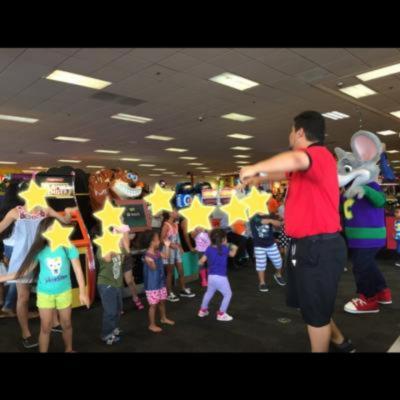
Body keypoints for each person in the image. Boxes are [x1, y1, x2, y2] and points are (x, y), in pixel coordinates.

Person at [239, 110, 354, 353]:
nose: (289, 135)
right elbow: (284, 171)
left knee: (315, 311)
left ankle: (334, 343)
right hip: (302, 245)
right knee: (308, 303)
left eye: (291, 131)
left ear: (300, 132)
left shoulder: (318, 155)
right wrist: (259, 178)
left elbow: (295, 160)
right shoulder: (306, 165)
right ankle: (340, 341)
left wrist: (253, 167)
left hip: (319, 246)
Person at [0, 217, 90, 352]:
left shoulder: (68, 247)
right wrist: (2, 277)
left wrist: (83, 292)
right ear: (43, 233)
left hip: (64, 292)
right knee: (45, 328)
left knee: (66, 324)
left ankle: (69, 349)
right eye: (50, 230)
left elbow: (78, 270)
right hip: (45, 295)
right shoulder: (39, 250)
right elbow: (23, 271)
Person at [0, 187, 73, 349]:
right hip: (23, 259)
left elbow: (65, 221)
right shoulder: (16, 212)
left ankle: (54, 321)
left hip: (43, 256)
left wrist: (68, 213)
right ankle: (26, 334)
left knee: (50, 289)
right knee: (23, 297)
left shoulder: (45, 210)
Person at [96, 225, 129, 345]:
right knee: (110, 311)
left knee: (118, 309)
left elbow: (126, 251)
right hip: (106, 284)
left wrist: (125, 231)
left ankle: (113, 328)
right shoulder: (102, 246)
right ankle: (106, 334)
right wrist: (115, 242)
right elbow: (108, 258)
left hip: (117, 284)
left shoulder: (119, 246)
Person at [197, 229, 238, 321]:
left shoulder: (209, 249)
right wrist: (235, 248)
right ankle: (221, 314)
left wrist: (200, 262)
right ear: (223, 239)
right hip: (221, 277)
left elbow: (201, 261)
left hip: (211, 277)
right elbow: (232, 254)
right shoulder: (224, 249)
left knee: (209, 293)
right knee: (228, 294)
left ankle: (203, 310)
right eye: (226, 238)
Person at [142, 230, 175, 333]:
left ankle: (163, 318)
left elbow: (167, 256)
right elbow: (154, 268)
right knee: (153, 305)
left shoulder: (157, 252)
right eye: (157, 240)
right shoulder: (147, 255)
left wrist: (167, 246)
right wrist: (151, 261)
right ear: (151, 242)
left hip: (160, 282)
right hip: (152, 285)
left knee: (162, 301)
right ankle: (152, 325)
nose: (159, 241)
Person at [160, 209, 195, 302]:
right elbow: (162, 239)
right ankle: (169, 293)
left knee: (181, 271)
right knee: (170, 273)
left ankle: (183, 289)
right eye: (176, 211)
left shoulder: (175, 224)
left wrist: (180, 247)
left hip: (176, 251)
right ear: (170, 213)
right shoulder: (166, 225)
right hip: (168, 251)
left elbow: (177, 238)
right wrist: (171, 245)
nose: (178, 213)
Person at [249, 212, 286, 292]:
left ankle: (278, 275)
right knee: (261, 265)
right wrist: (271, 220)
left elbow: (278, 225)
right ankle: (262, 283)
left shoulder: (269, 215)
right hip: (259, 246)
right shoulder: (254, 217)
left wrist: (280, 221)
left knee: (279, 262)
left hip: (271, 244)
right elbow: (263, 221)